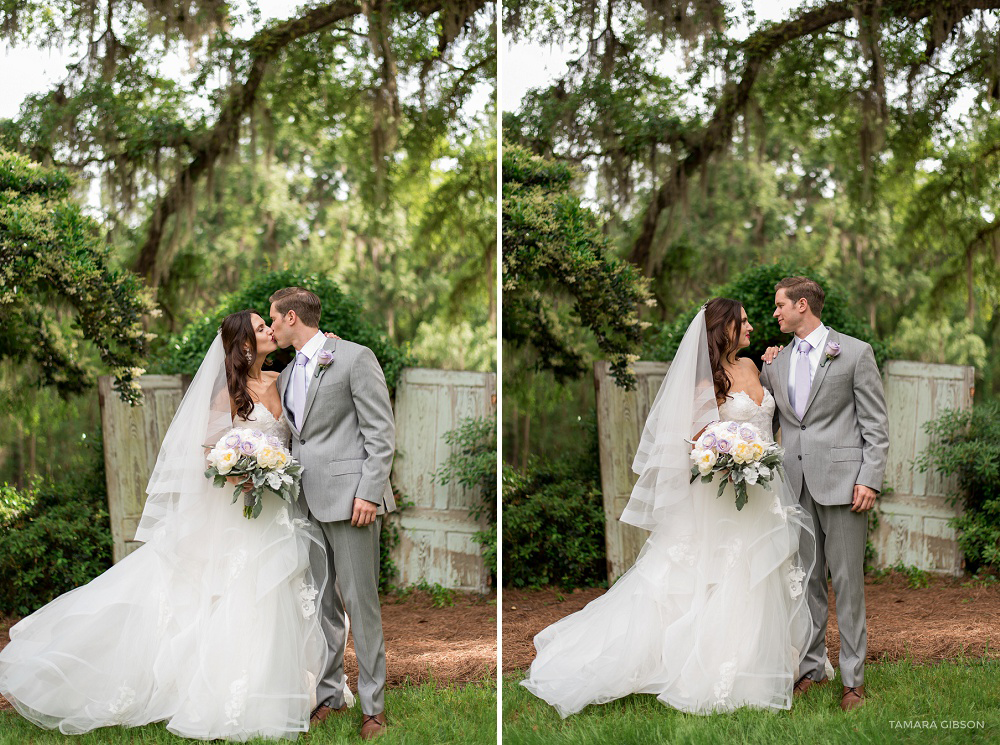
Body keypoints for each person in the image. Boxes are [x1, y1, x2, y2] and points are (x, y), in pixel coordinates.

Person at [0, 309, 335, 740]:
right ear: (244, 344)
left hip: (280, 511)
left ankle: (285, 686)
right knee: (240, 594)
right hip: (244, 512)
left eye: (268, 324)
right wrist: (245, 473)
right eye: (259, 328)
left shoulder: (283, 380)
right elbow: (212, 455)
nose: (269, 330)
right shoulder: (227, 396)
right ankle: (236, 691)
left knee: (279, 592)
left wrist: (328, 347)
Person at [521, 298, 816, 717]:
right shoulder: (703, 386)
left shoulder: (753, 367)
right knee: (718, 578)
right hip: (726, 496)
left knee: (760, 576)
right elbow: (696, 447)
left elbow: (775, 420)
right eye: (744, 322)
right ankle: (704, 665)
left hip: (766, 493)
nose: (751, 327)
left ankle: (758, 662)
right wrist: (732, 458)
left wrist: (761, 456)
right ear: (723, 329)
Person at [267, 287, 395, 741]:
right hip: (305, 502)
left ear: (293, 318)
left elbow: (381, 432)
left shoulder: (356, 358)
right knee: (321, 605)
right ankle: (329, 695)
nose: (272, 327)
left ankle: (374, 708)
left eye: (274, 320)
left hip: (352, 501)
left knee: (361, 605)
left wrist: (369, 493)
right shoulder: (283, 377)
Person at [760, 276, 888, 712]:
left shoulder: (853, 352)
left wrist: (870, 478)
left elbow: (875, 423)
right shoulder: (775, 363)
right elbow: (768, 414)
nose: (774, 313)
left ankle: (853, 681)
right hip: (795, 486)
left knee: (848, 584)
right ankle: (812, 669)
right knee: (806, 582)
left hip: (845, 485)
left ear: (801, 305)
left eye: (779, 306)